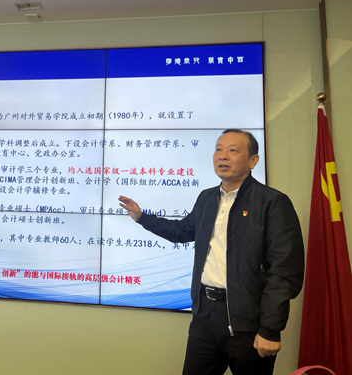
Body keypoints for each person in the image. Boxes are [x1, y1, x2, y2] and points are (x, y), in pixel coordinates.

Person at [118, 129, 304, 375]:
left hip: (249, 321)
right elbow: (182, 231)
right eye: (218, 149)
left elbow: (285, 270)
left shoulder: (272, 202)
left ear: (253, 160)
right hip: (205, 317)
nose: (222, 156)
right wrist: (143, 218)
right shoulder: (207, 198)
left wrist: (270, 329)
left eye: (233, 150)